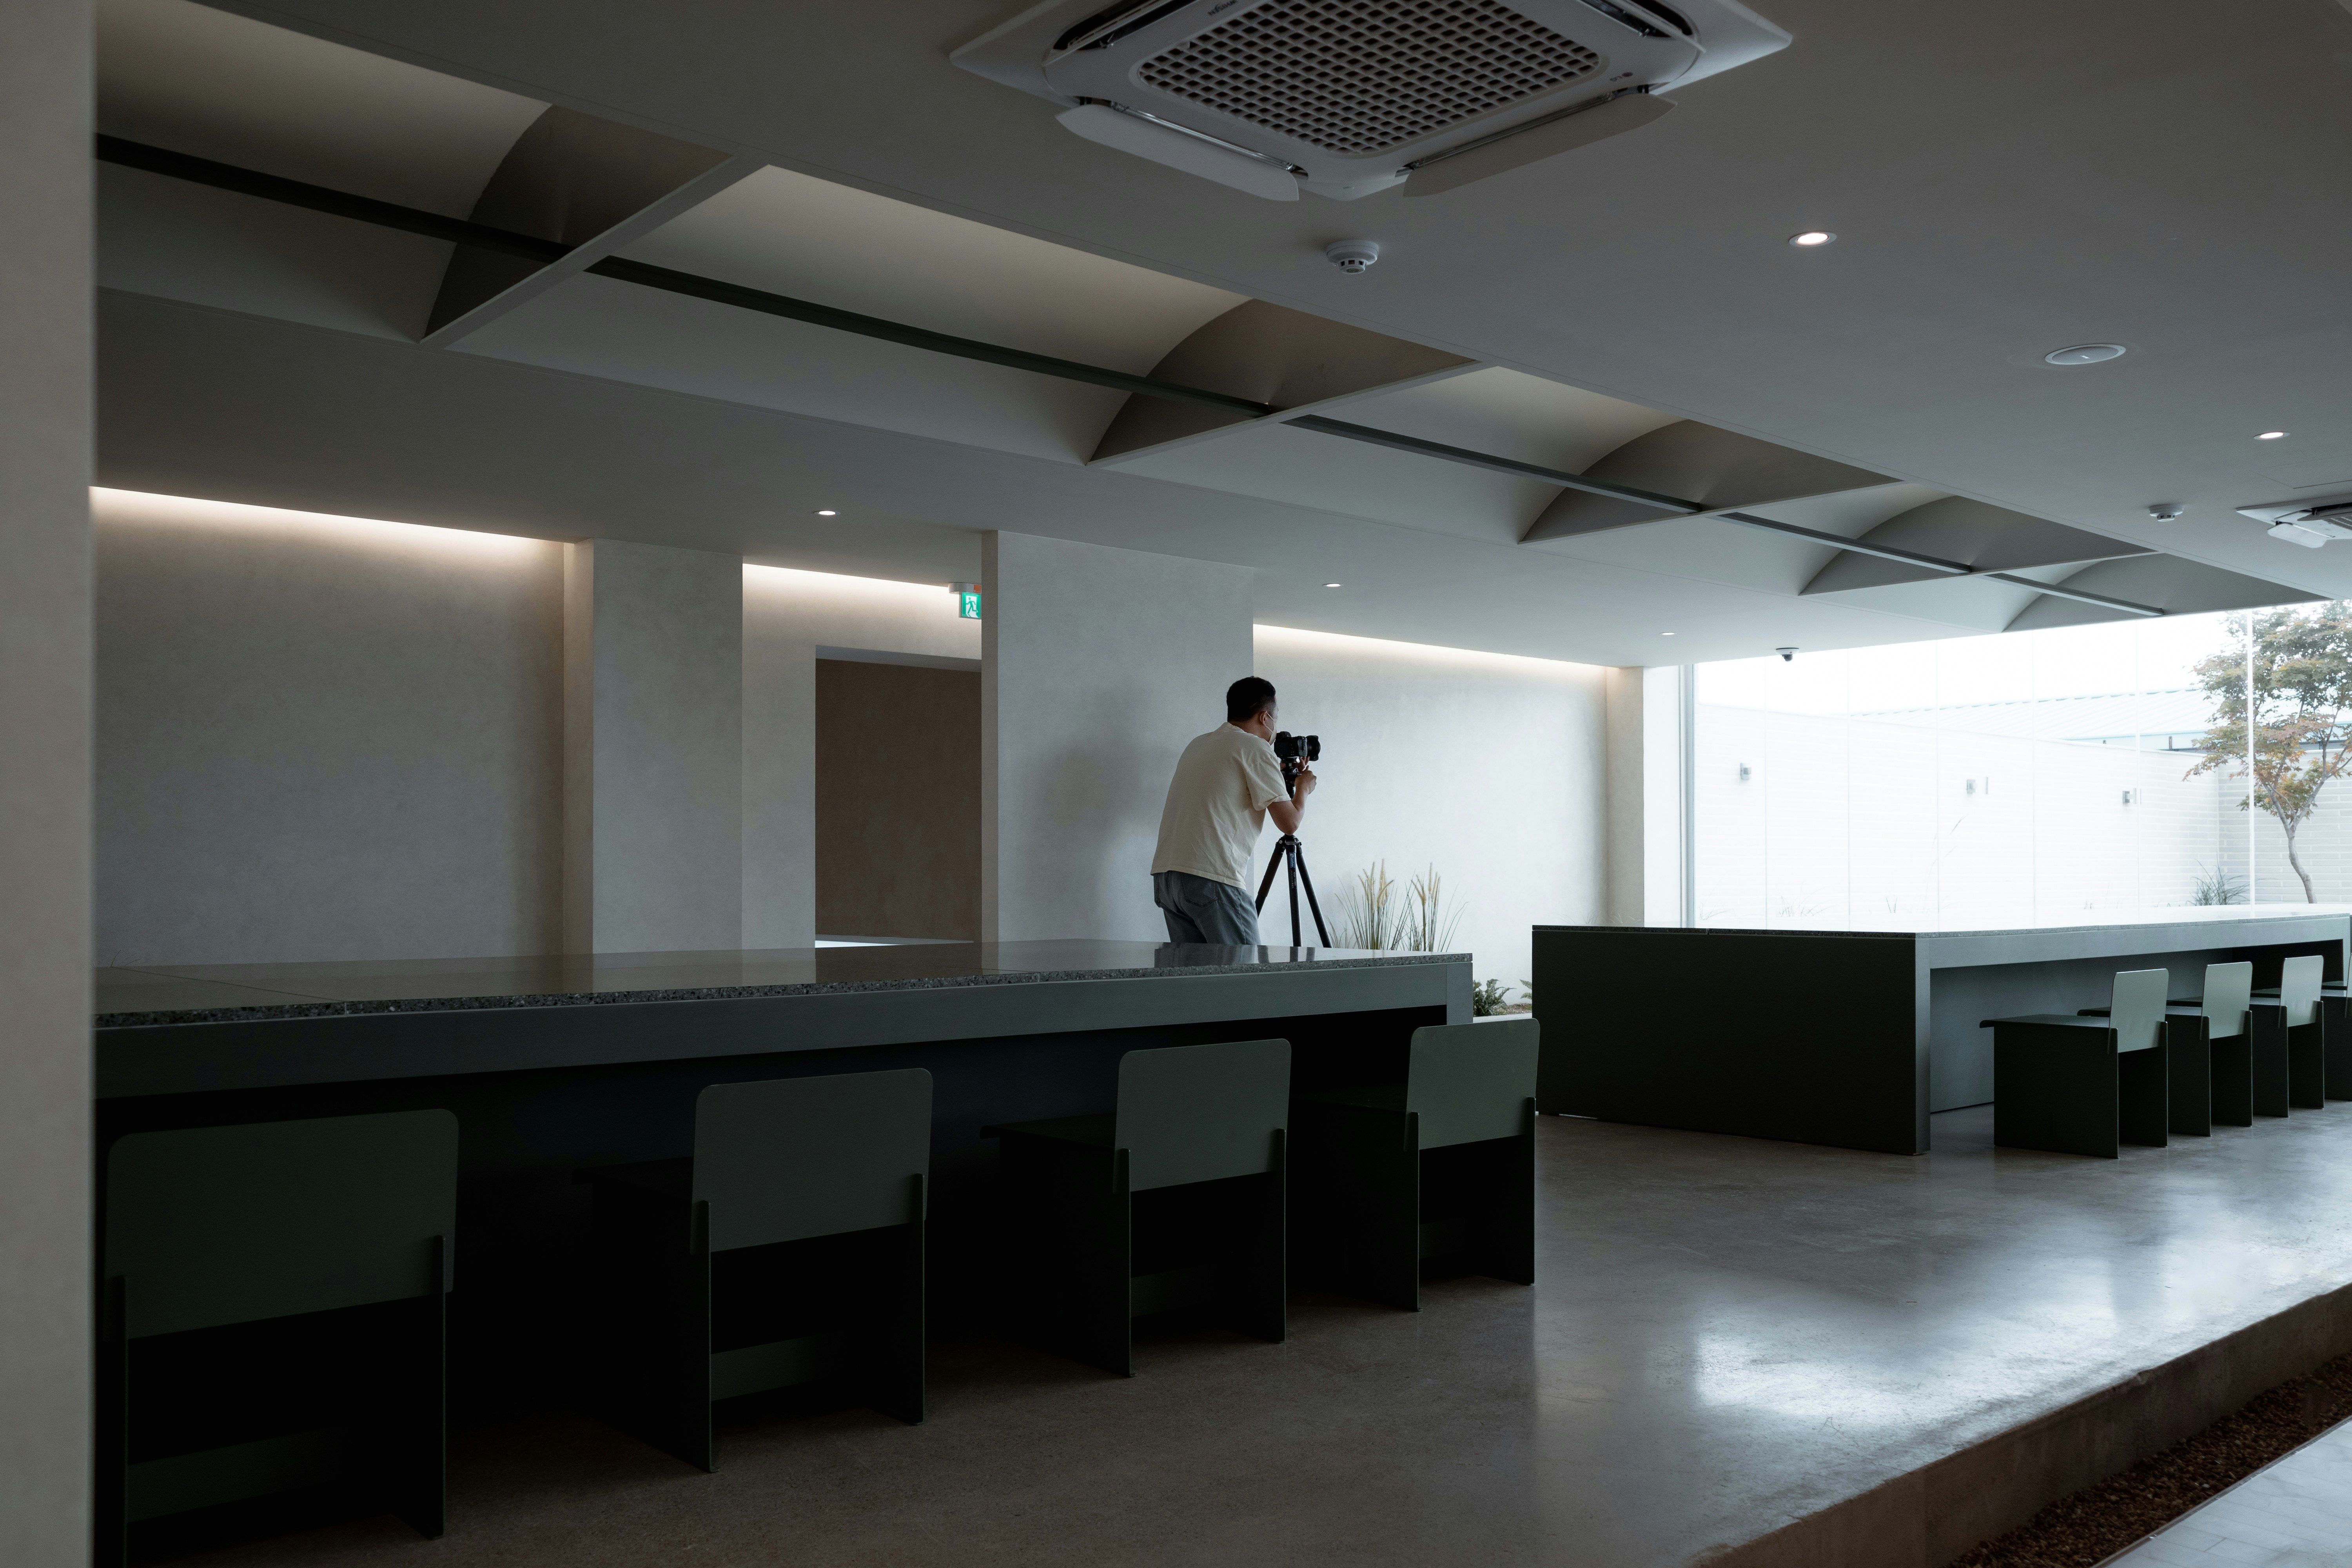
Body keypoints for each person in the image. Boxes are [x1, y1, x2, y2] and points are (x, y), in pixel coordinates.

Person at [1149, 675, 1317, 946]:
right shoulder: (1256, 749)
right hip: (1212, 880)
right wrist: (1304, 788)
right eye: (1276, 718)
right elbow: (1290, 823)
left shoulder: (1199, 744)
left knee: (1196, 982)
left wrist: (1280, 771)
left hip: (1168, 879)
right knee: (1245, 980)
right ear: (1265, 717)